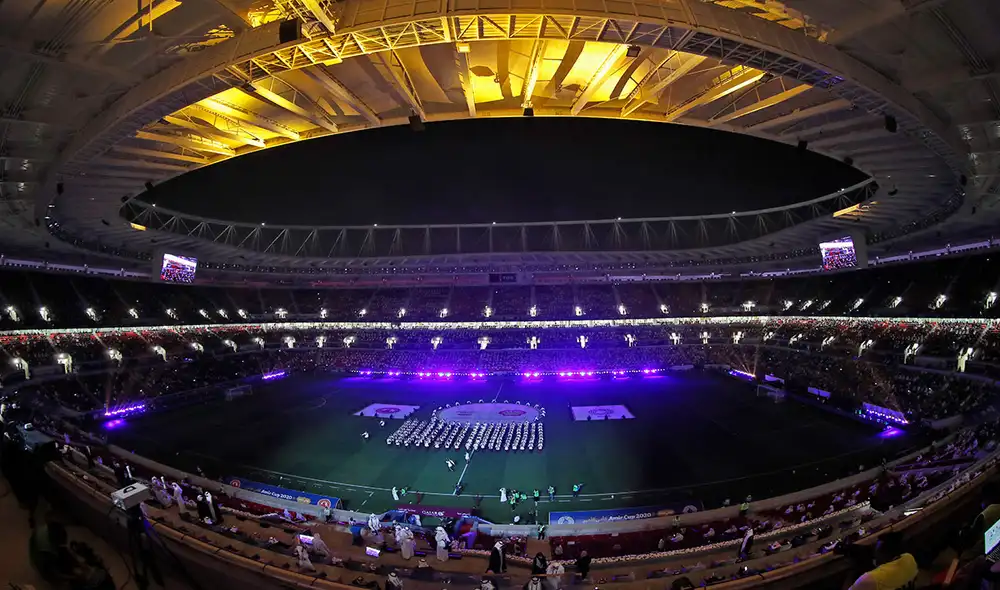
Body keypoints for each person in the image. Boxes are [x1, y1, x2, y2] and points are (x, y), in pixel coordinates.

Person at [847, 532, 917, 590]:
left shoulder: (870, 579)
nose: (874, 552)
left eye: (876, 549)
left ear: (883, 553)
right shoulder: (909, 558)